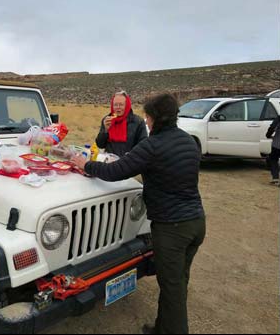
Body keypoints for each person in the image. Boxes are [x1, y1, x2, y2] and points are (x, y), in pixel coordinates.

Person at [72, 93, 206, 334]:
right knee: (177, 282)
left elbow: (116, 171)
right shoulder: (189, 141)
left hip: (172, 228)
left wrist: (86, 165)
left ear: (152, 118)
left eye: (148, 116)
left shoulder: (152, 145)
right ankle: (162, 328)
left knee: (172, 289)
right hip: (196, 222)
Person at [95, 90, 148, 157]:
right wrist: (105, 130)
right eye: (115, 105)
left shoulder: (137, 122)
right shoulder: (107, 120)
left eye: (121, 104)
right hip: (110, 162)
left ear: (127, 105)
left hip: (129, 162)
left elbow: (143, 146)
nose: (118, 107)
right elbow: (100, 145)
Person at [266, 115, 280, 186]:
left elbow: (272, 128)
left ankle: (275, 179)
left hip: (277, 144)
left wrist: (268, 135)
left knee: (273, 159)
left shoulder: (279, 118)